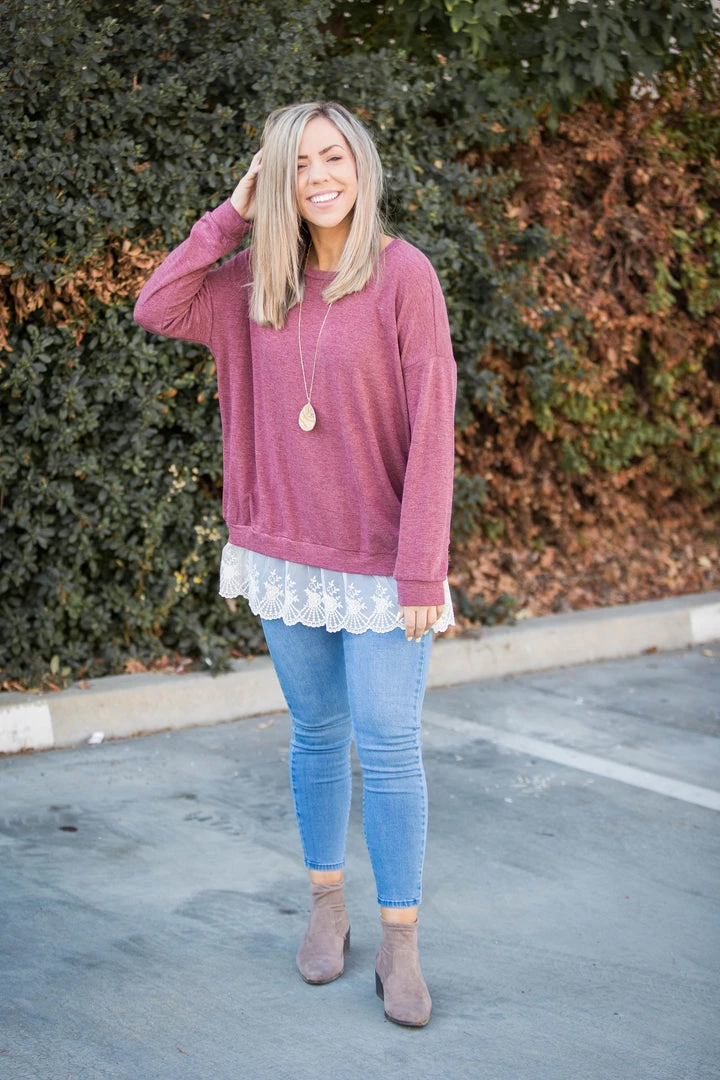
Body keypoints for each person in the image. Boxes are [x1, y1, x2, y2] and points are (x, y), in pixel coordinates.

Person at [134, 101, 457, 1028]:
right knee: (317, 734)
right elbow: (157, 305)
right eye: (298, 163)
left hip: (383, 562)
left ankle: (401, 943)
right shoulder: (251, 281)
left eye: (333, 156)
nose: (319, 176)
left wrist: (421, 572)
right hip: (283, 554)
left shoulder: (404, 275)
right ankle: (326, 906)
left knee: (388, 746)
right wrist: (232, 215)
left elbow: (434, 428)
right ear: (276, 177)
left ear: (361, 166)